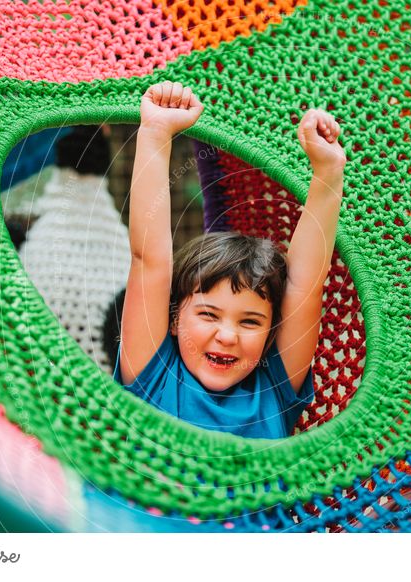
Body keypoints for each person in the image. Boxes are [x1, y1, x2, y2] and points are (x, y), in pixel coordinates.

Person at [115, 80, 346, 439]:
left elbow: (305, 284)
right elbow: (150, 260)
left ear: (272, 335)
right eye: (208, 314)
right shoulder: (155, 375)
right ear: (174, 320)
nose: (227, 336)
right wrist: (156, 131)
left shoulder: (273, 389)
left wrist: (328, 174)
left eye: (251, 322)